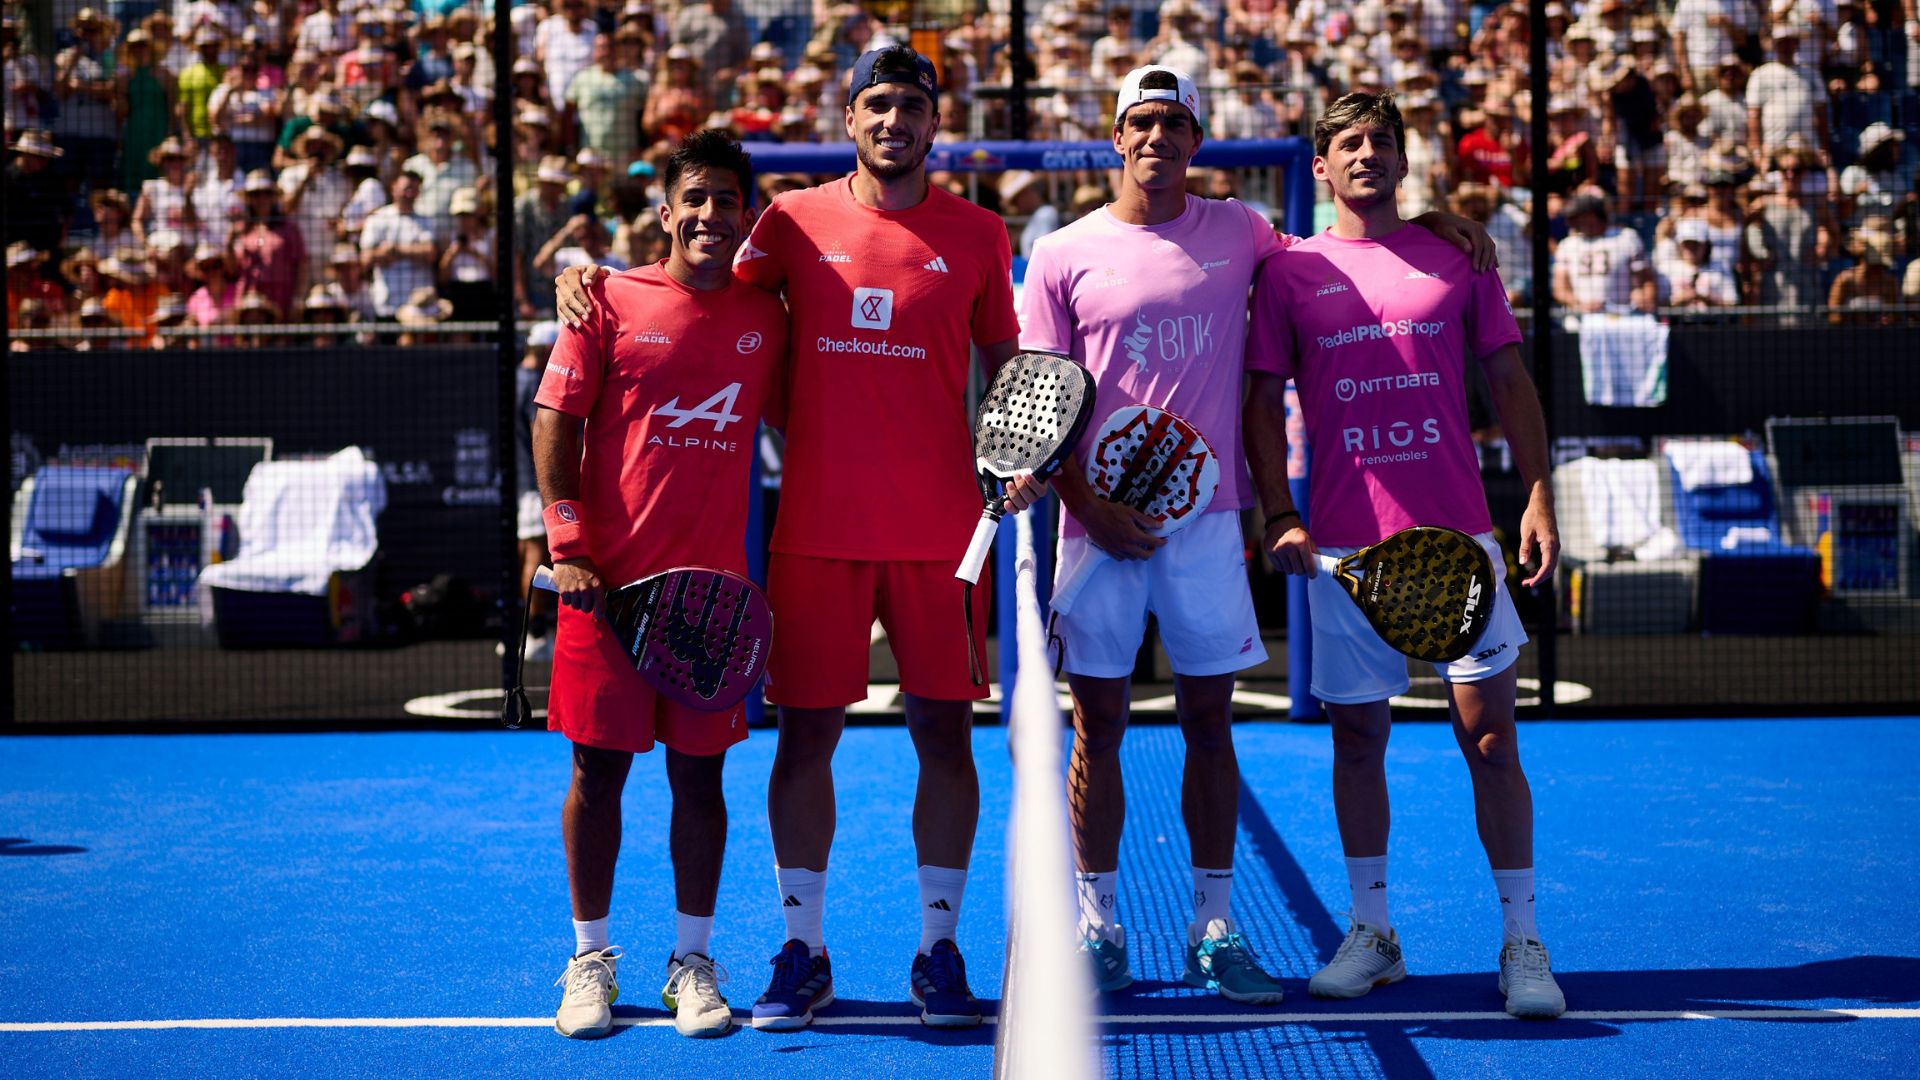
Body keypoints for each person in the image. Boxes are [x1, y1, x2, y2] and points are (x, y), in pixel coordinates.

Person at [556, 45, 1044, 1031]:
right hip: (814, 533)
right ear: (849, 116)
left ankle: (939, 948)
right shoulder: (786, 223)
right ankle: (802, 947)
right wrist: (587, 278)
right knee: (807, 737)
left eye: (911, 104)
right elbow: (692, 281)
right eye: (876, 104)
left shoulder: (981, 234)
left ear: (932, 120)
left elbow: (1011, 370)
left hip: (945, 537)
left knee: (944, 735)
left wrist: (1018, 452)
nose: (893, 120)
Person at [1023, 66, 1492, 1006]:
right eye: (1140, 123)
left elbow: (1351, 244)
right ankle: (1098, 926)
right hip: (1097, 527)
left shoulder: (1242, 232)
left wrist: (1435, 223)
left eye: (1173, 123)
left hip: (1207, 526)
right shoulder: (1060, 254)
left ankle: (1213, 928)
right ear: (1117, 138)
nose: (1156, 137)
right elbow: (1043, 404)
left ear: (1196, 140)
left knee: (1209, 723)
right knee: (1097, 728)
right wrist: (1091, 506)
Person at [1244, 90, 1566, 1020]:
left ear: (1402, 160)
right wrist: (1278, 511)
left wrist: (1539, 491)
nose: (1366, 154)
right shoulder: (1289, 271)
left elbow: (1507, 376)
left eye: (1382, 141)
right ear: (1320, 167)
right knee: (1357, 736)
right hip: (1346, 542)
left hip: (1460, 536)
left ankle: (1522, 942)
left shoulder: (1457, 257)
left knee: (1492, 740)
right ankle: (1374, 933)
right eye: (1347, 142)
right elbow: (1263, 402)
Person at [536, 130, 789, 1042]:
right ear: (664, 208)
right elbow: (555, 419)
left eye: (727, 200)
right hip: (603, 595)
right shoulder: (605, 297)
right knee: (596, 774)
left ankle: (692, 960)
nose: (710, 215)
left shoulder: (771, 317)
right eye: (695, 198)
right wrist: (567, 544)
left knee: (701, 780)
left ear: (746, 213)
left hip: (709, 605)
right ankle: (590, 958)